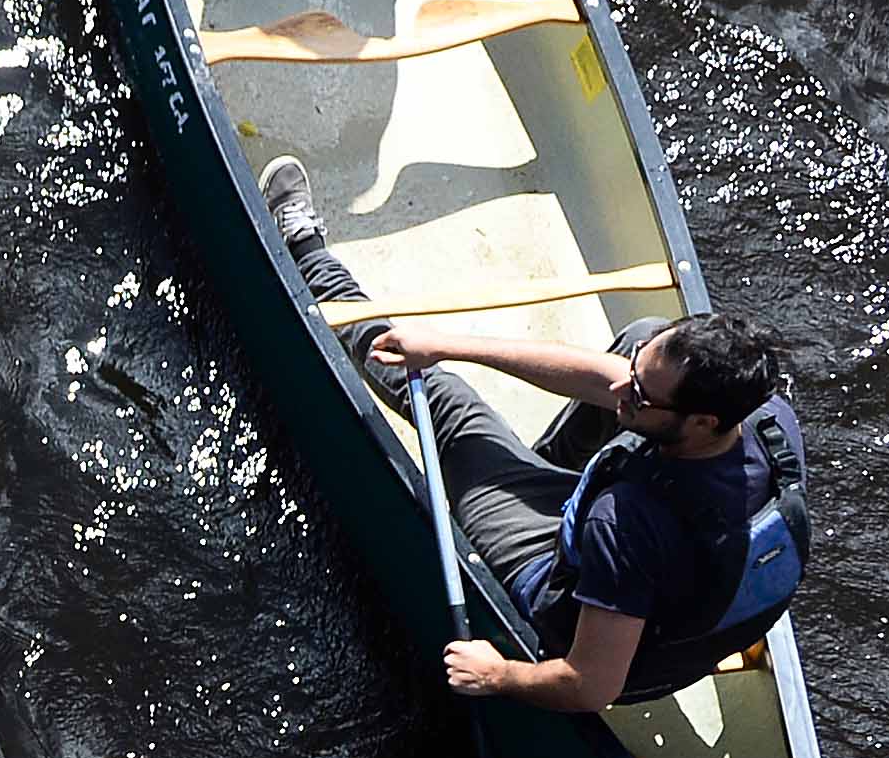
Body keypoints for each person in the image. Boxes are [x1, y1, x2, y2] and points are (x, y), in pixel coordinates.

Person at [259, 155, 813, 713]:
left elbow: (591, 685)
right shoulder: (767, 421)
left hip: (569, 611)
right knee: (638, 334)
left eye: (640, 397)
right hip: (661, 595)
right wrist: (449, 342)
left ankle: (309, 256)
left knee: (446, 401)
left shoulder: (622, 525)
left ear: (702, 422)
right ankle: (537, 468)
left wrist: (499, 675)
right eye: (638, 371)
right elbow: (617, 380)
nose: (625, 391)